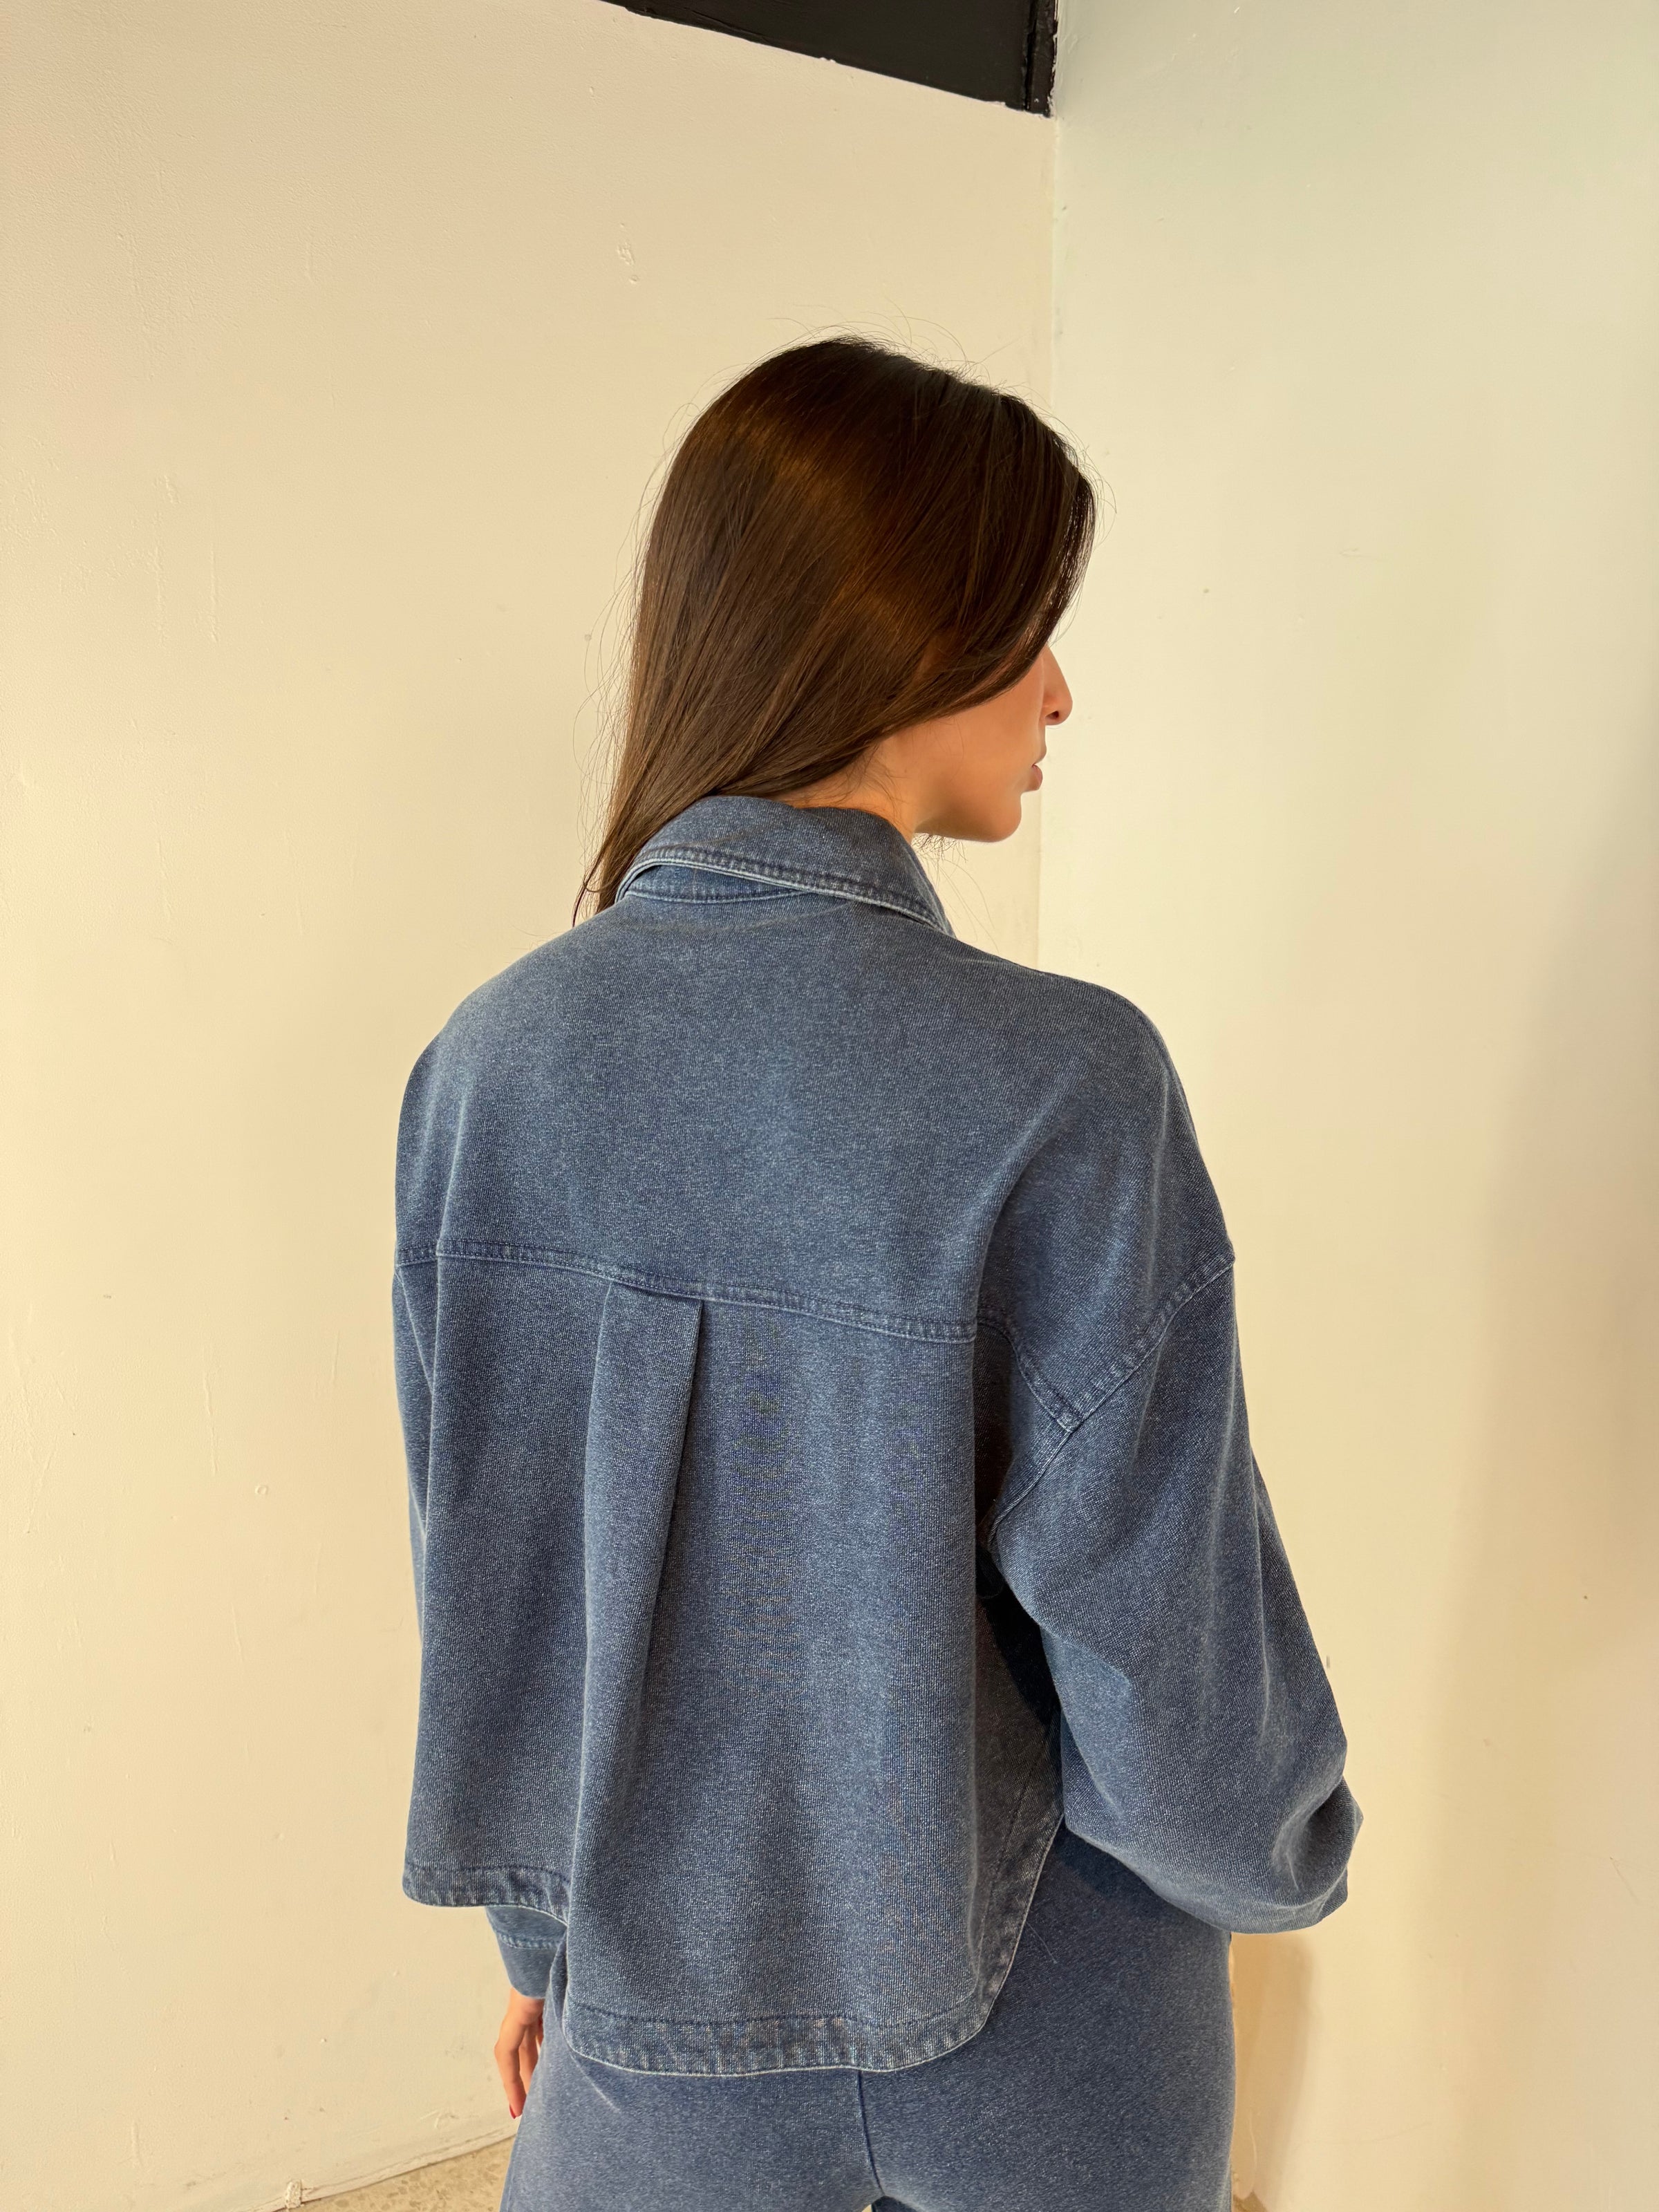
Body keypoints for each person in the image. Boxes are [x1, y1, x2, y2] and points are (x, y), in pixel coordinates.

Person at [391, 335, 1361, 2212]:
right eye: (1033, 628)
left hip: (651, 2018)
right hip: (1054, 2022)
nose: (1061, 689)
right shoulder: (1066, 1078)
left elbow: (495, 1575)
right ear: (908, 636)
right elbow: (1158, 1628)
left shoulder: (487, 1066)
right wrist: (1280, 1853)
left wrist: (548, 1944)